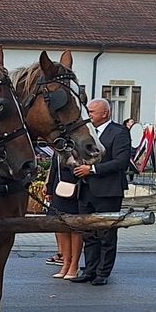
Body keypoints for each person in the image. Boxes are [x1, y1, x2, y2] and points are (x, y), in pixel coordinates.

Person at [70, 98, 131, 286]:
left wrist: (93, 170)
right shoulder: (88, 133)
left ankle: (103, 272)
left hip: (108, 191)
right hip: (86, 189)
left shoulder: (119, 132)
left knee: (106, 233)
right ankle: (89, 269)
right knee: (88, 233)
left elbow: (121, 161)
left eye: (91, 113)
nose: (88, 116)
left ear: (105, 113)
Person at [46, 151, 83, 280]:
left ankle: (74, 265)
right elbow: (54, 169)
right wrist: (49, 189)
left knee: (75, 228)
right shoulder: (60, 149)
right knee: (61, 227)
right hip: (59, 189)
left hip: (77, 189)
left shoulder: (80, 145)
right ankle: (65, 263)